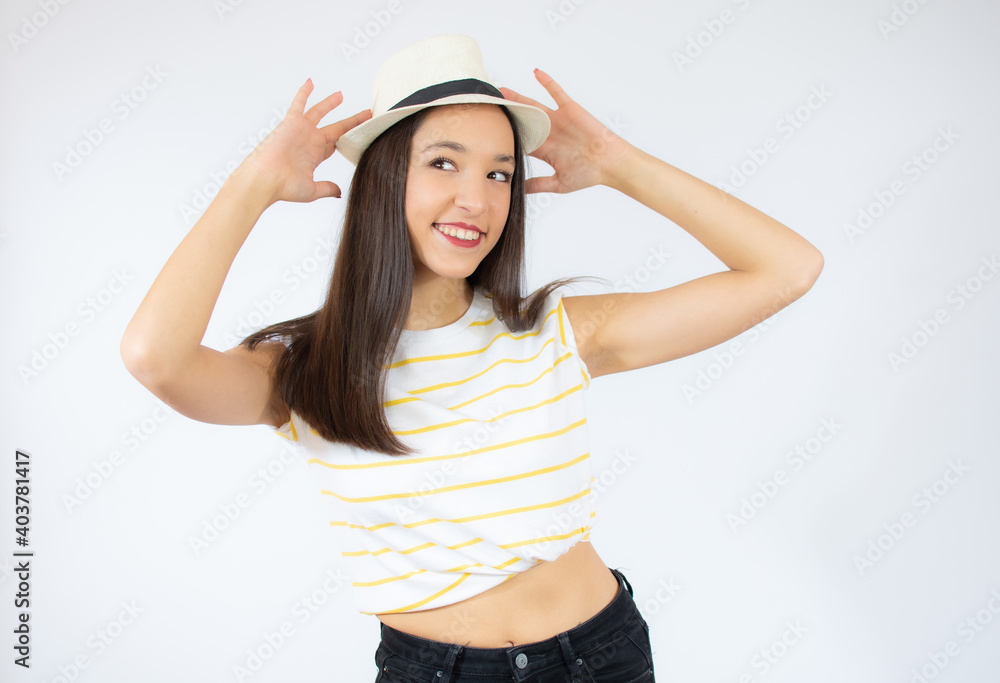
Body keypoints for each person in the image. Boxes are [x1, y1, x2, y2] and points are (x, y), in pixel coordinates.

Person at [121, 33, 822, 682]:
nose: (477, 199)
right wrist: (255, 181)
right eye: (443, 163)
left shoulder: (557, 331)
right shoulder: (304, 369)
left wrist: (617, 163)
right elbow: (155, 357)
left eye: (499, 174)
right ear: (384, 178)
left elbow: (787, 269)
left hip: (600, 657)